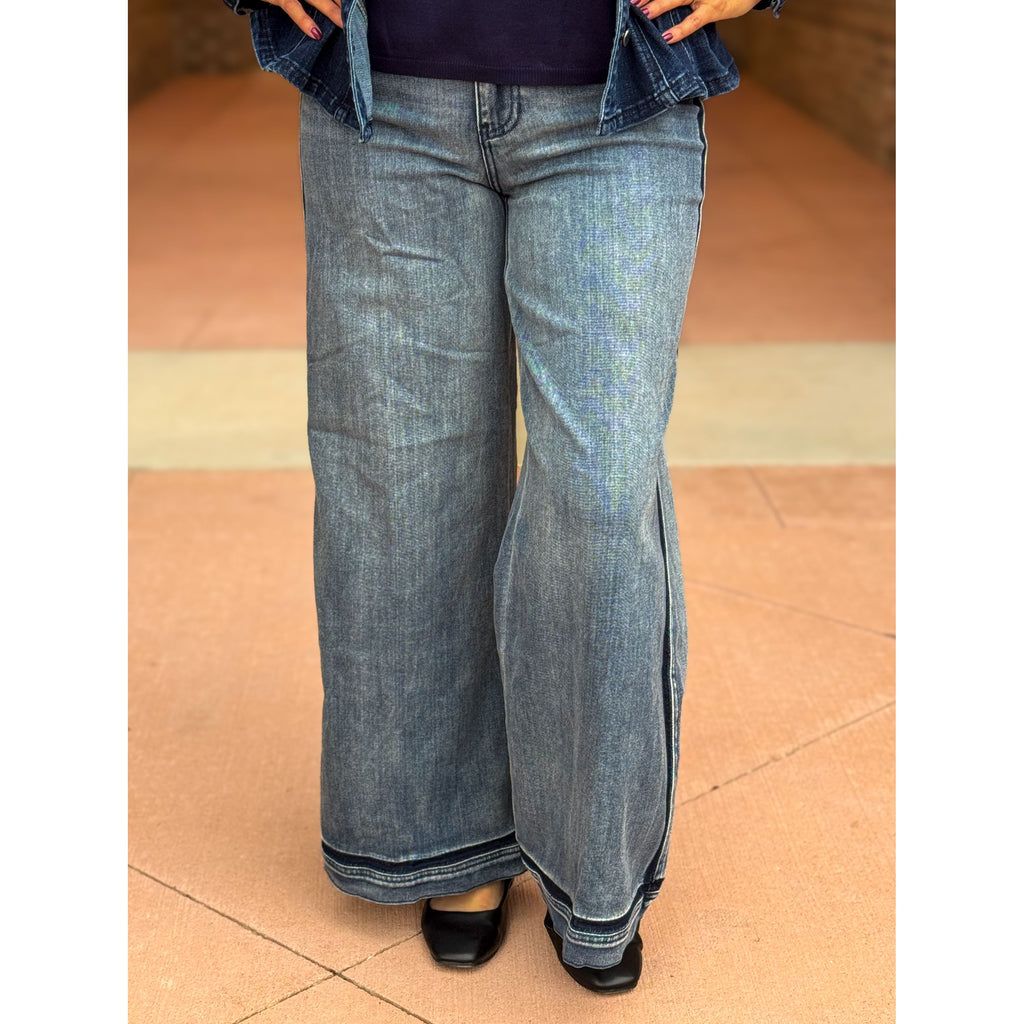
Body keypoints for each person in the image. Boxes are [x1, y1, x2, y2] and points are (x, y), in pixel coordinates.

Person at [223, 0, 786, 994]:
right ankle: (455, 844)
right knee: (404, 492)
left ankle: (591, 869)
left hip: (615, 99)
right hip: (386, 99)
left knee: (601, 497)